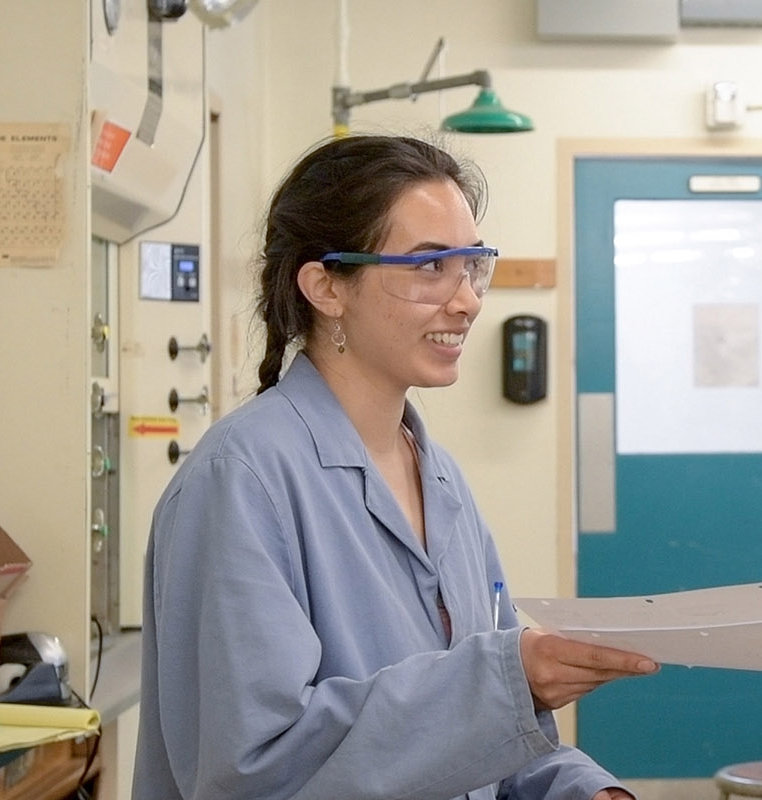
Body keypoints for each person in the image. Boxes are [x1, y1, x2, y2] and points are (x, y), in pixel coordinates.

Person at [133, 134, 657, 800]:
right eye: (430, 266)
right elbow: (252, 770)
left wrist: (581, 789)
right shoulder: (242, 480)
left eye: (472, 266)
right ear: (326, 286)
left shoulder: (440, 479)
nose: (466, 300)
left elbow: (483, 744)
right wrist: (507, 681)